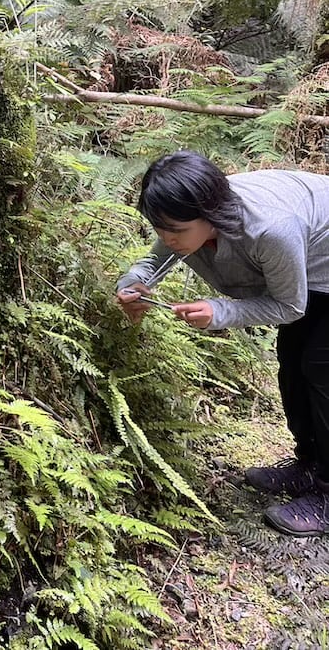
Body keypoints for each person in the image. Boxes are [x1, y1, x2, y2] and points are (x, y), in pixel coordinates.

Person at [115, 150, 329, 537]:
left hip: (323, 261)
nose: (167, 239)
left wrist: (221, 312)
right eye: (160, 228)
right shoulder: (185, 222)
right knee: (294, 364)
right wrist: (132, 283)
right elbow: (154, 263)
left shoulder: (270, 229)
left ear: (209, 213)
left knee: (321, 369)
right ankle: (309, 464)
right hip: (305, 264)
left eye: (175, 231)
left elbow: (289, 304)